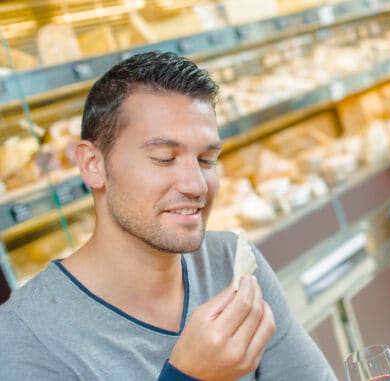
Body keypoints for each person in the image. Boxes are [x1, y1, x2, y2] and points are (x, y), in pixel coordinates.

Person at [0, 51, 336, 380]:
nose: (195, 185)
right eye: (164, 157)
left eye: (206, 159)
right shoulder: (24, 337)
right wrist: (186, 376)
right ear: (93, 165)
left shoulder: (232, 265)